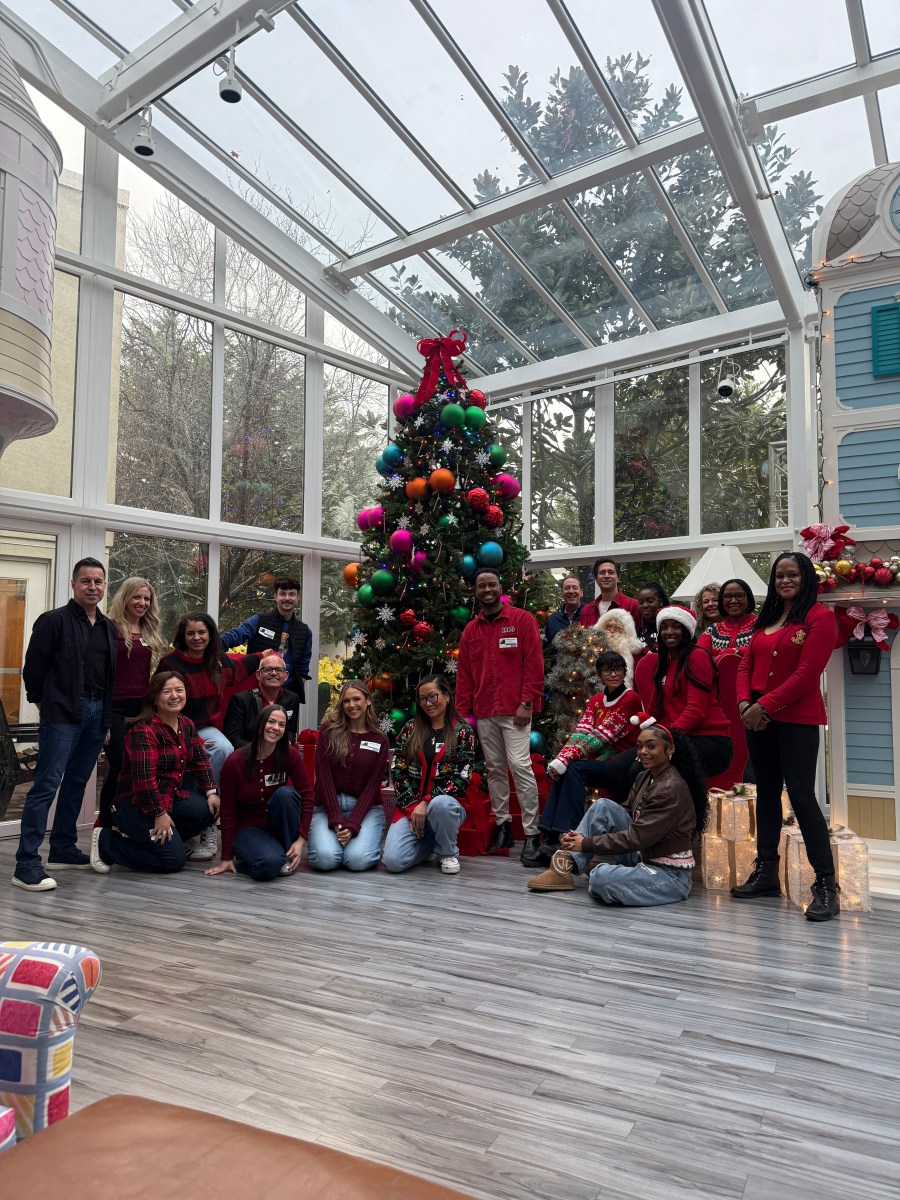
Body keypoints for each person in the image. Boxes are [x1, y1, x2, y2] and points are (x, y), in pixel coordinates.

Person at [732, 552, 839, 921]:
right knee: (765, 793)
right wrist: (746, 703)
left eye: (792, 574)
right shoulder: (767, 619)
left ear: (805, 578)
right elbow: (746, 663)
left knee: (801, 795)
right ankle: (766, 872)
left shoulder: (820, 619)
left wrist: (766, 706)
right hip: (759, 717)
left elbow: (808, 673)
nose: (785, 580)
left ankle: (826, 883)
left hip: (795, 718)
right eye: (779, 575)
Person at [13, 558, 118, 892]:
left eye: (98, 582)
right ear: (73, 584)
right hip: (62, 714)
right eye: (85, 581)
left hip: (97, 713)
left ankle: (61, 847)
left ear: (104, 586)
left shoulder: (108, 627)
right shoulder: (53, 621)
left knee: (77, 783)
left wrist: (104, 718)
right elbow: (33, 670)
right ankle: (26, 864)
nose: (92, 587)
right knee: (46, 785)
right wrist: (46, 705)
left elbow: (109, 676)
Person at [527, 720, 708, 905]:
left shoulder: (670, 788)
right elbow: (628, 812)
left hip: (669, 874)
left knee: (600, 878)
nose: (643, 752)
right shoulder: (645, 776)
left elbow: (636, 837)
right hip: (642, 855)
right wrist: (577, 840)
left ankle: (610, 872)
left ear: (669, 750)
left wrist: (587, 844)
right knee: (603, 805)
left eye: (651, 746)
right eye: (639, 747)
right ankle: (565, 865)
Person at [89, 671, 219, 875]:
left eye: (179, 690)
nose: (175, 696)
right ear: (155, 698)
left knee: (209, 809)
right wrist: (159, 814)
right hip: (135, 805)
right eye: (167, 691)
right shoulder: (144, 730)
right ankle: (108, 843)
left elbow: (200, 760)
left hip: (169, 798)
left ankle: (160, 840)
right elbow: (143, 781)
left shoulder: (186, 724)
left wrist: (211, 791)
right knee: (173, 861)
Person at [455, 567, 544, 862]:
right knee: (494, 769)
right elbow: (465, 676)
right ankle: (503, 827)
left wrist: (527, 702)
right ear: (476, 591)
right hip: (484, 711)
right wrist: (462, 714)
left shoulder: (522, 620)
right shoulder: (471, 630)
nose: (487, 590)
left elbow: (534, 664)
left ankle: (531, 834)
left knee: (520, 766)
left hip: (516, 710)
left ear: (500, 587)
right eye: (481, 586)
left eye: (491, 584)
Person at [535, 651, 642, 857]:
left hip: (621, 765)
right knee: (567, 769)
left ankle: (571, 834)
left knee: (573, 768)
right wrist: (560, 759)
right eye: (607, 670)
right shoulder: (596, 700)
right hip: (603, 762)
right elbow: (581, 733)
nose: (613, 674)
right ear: (599, 674)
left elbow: (602, 736)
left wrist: (565, 759)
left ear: (624, 672)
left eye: (618, 669)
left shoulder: (630, 699)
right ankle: (548, 835)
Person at [206, 704, 312, 882]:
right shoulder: (235, 761)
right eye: (271, 722)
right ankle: (255, 859)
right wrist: (226, 857)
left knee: (286, 794)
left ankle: (284, 853)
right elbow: (228, 811)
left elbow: (308, 796)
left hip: (278, 827)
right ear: (260, 724)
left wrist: (301, 840)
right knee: (270, 864)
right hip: (248, 830)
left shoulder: (290, 755)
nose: (275, 728)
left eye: (281, 725)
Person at [382, 674, 476, 876]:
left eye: (432, 697)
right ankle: (431, 844)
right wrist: (412, 806)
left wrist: (426, 802)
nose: (427, 703)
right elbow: (398, 769)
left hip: (446, 808)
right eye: (422, 699)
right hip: (411, 808)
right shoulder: (410, 729)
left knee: (441, 804)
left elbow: (462, 777)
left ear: (447, 696)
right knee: (393, 862)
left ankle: (448, 852)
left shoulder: (463, 732)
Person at [157, 612, 261, 784]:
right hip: (172, 725)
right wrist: (189, 739)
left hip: (203, 727)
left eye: (202, 632)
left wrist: (262, 657)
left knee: (223, 747)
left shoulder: (218, 661)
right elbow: (157, 699)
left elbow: (240, 668)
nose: (196, 637)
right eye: (191, 633)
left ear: (210, 635)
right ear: (183, 636)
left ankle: (213, 797)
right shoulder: (170, 663)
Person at [96, 577, 167, 830]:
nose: (142, 603)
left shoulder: (150, 632)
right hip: (114, 708)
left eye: (147, 598)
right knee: (118, 766)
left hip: (142, 709)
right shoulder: (109, 628)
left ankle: (130, 822)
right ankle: (103, 825)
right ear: (125, 598)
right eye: (137, 597)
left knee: (141, 767)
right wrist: (103, 720)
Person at [306, 680, 389, 872]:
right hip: (327, 805)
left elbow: (372, 786)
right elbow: (324, 777)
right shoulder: (329, 730)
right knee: (325, 859)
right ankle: (337, 844)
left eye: (356, 699)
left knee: (357, 861)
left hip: (365, 808)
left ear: (368, 701)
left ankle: (355, 845)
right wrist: (336, 819)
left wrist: (352, 825)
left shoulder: (379, 738)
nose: (351, 705)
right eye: (346, 701)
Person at [650, 605, 733, 780]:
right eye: (664, 627)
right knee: (618, 768)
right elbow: (654, 710)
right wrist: (639, 733)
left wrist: (663, 737)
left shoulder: (698, 656)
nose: (669, 632)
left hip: (708, 740)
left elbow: (696, 710)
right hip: (677, 736)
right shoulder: (663, 662)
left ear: (686, 630)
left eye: (675, 626)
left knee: (640, 769)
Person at [220, 577, 312, 700]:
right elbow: (234, 636)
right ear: (275, 596)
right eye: (282, 594)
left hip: (287, 696)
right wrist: (211, 647)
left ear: (297, 598)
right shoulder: (259, 621)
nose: (287, 598)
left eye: (292, 594)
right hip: (256, 693)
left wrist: (297, 687)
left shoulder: (305, 631)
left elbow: (303, 665)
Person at [223, 651, 300, 749]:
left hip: (279, 754)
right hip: (249, 754)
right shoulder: (241, 700)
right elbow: (233, 737)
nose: (273, 673)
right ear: (258, 674)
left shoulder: (292, 699)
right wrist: (260, 751)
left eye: (278, 670)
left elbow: (290, 731)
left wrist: (287, 742)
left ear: (285, 676)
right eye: (268, 669)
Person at [696, 579, 757, 660]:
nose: (733, 601)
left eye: (739, 595)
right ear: (722, 601)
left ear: (748, 598)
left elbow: (765, 650)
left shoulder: (761, 624)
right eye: (728, 596)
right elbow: (698, 656)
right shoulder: (713, 630)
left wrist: (734, 651)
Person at [579, 558, 640, 628]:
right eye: (602, 572)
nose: (606, 576)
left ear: (618, 578)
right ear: (596, 579)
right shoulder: (587, 610)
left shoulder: (634, 606)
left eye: (611, 572)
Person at [594, 609, 643, 686]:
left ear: (625, 631)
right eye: (609, 626)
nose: (612, 630)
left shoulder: (632, 651)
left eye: (617, 627)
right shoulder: (594, 648)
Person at [544, 576, 584, 645]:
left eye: (575, 588)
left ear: (581, 593)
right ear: (561, 593)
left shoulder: (591, 614)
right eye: (567, 588)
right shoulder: (552, 620)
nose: (571, 591)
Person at [635, 582, 669, 654]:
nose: (645, 605)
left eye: (650, 601)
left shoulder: (672, 628)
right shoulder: (636, 631)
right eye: (641, 602)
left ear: (660, 602)